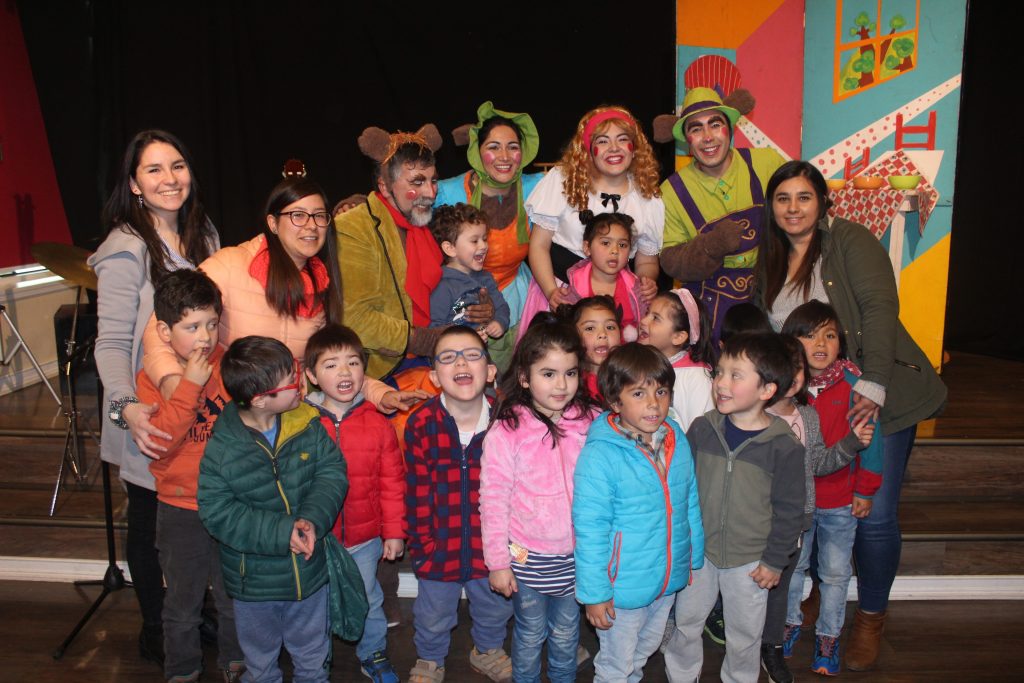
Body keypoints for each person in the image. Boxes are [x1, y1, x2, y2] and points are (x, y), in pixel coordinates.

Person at [753, 160, 947, 671]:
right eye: (782, 198)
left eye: (804, 197)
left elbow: (880, 309)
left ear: (822, 201)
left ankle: (871, 618)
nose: (793, 208)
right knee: (812, 504)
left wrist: (873, 385)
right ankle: (820, 595)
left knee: (874, 515)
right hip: (810, 405)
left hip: (871, 395)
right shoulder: (771, 256)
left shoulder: (849, 241)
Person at [89, 129, 220, 665]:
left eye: (178, 166)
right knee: (149, 521)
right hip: (146, 411)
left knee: (194, 514)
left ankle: (192, 609)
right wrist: (127, 408)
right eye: (154, 170)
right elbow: (110, 343)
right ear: (134, 184)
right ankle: (155, 626)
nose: (170, 179)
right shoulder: (125, 249)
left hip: (199, 405)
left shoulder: (203, 233)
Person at [142, 177, 409, 413]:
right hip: (225, 411)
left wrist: (379, 394)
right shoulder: (231, 265)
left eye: (319, 216)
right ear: (272, 223)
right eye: (298, 215)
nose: (311, 226)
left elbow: (329, 361)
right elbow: (162, 321)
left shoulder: (323, 284)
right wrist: (170, 379)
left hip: (287, 417)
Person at [197, 336, 346, 683]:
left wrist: (312, 519)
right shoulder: (223, 449)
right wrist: (282, 532)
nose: (302, 384)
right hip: (254, 585)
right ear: (261, 400)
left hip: (309, 574)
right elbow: (217, 511)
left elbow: (331, 472)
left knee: (313, 655)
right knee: (260, 661)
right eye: (292, 381)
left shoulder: (306, 423)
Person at [663, 332, 805, 683]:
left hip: (751, 563)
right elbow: (681, 487)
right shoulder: (702, 429)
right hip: (699, 554)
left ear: (767, 389)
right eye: (720, 372)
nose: (722, 383)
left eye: (735, 375)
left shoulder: (784, 446)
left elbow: (790, 512)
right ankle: (682, 676)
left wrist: (774, 561)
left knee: (745, 635)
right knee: (686, 624)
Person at [134, 270, 242, 682]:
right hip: (179, 507)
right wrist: (189, 388)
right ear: (164, 331)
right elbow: (163, 442)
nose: (205, 338)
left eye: (212, 324)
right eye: (192, 327)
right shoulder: (151, 380)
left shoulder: (228, 364)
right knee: (182, 603)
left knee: (233, 597)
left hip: (230, 504)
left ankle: (235, 663)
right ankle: (182, 669)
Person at [573, 343, 703, 683]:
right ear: (615, 402)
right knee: (616, 665)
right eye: (638, 393)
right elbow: (590, 529)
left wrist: (691, 555)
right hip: (622, 587)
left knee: (643, 651)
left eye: (661, 391)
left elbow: (688, 498)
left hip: (666, 579)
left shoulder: (675, 438)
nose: (653, 403)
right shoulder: (600, 455)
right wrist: (595, 593)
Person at [480, 316, 599, 683]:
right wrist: (497, 562)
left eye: (570, 373)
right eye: (548, 374)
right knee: (530, 633)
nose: (561, 385)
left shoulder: (592, 422)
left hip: (577, 557)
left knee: (566, 635)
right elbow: (493, 499)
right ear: (525, 377)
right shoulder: (508, 430)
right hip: (527, 558)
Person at [335, 124, 495, 386]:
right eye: (417, 182)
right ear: (385, 186)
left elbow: (450, 285)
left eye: (433, 181)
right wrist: (425, 340)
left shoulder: (426, 223)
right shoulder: (353, 227)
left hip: (434, 358)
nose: (430, 193)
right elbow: (356, 320)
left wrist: (476, 306)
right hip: (382, 370)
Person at [404, 327, 513, 683]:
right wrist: (422, 546)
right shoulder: (421, 423)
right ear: (435, 376)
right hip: (439, 545)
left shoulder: (507, 421)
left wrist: (509, 547)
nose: (461, 363)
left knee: (494, 608)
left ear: (490, 371)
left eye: (472, 354)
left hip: (492, 548)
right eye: (449, 357)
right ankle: (430, 658)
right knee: (433, 613)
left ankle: (487, 650)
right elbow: (416, 491)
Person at [780, 301, 883, 676]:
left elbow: (873, 442)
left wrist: (865, 490)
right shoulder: (787, 387)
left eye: (829, 335)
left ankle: (828, 638)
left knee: (836, 573)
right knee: (794, 568)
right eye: (809, 336)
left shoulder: (857, 387)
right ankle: (789, 624)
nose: (821, 343)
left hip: (841, 501)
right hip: (797, 502)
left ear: (841, 341)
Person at [760, 334, 866, 683]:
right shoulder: (753, 415)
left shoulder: (808, 416)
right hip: (758, 520)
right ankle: (764, 637)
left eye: (799, 368)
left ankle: (792, 641)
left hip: (796, 520)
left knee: (795, 579)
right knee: (764, 585)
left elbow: (818, 462)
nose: (794, 375)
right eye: (785, 367)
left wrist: (851, 443)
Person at [302, 325, 404, 683]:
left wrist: (394, 532)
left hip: (364, 538)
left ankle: (373, 652)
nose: (344, 372)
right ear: (312, 375)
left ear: (364, 370)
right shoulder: (301, 423)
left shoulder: (378, 424)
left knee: (368, 598)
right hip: (316, 538)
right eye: (331, 365)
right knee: (314, 603)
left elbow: (392, 482)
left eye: (353, 362)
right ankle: (314, 660)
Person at [658, 87, 786, 341]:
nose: (707, 137)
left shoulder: (767, 163)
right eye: (696, 129)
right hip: (711, 312)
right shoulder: (671, 192)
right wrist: (710, 246)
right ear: (687, 139)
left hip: (773, 299)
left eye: (715, 125)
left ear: (730, 127)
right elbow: (672, 261)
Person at [436, 102, 543, 368]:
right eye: (494, 147)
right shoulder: (446, 192)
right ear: (477, 151)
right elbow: (407, 208)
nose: (504, 156)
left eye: (513, 147)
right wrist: (356, 204)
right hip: (459, 297)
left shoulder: (537, 188)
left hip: (518, 298)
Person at [526, 105, 662, 309]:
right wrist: (551, 291)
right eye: (603, 141)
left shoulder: (647, 197)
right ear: (589, 151)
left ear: (634, 148)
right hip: (561, 293)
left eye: (622, 139)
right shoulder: (564, 180)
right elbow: (539, 245)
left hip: (616, 300)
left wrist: (646, 282)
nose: (614, 148)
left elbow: (647, 261)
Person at [519, 211, 651, 342]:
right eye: (606, 243)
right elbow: (566, 336)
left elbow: (646, 328)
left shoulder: (637, 288)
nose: (615, 251)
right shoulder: (574, 289)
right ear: (587, 248)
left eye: (622, 245)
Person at [638, 288, 716, 430]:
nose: (643, 321)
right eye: (647, 313)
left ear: (678, 337)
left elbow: (702, 433)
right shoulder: (639, 365)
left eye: (655, 318)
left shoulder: (696, 378)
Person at [429, 203, 510, 338]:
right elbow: (434, 327)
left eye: (484, 239)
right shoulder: (443, 285)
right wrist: (467, 337)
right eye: (474, 241)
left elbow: (501, 307)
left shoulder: (485, 278)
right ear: (450, 248)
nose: (484, 246)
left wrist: (499, 322)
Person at [565, 295, 622, 404]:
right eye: (590, 328)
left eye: (610, 327)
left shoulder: (631, 376)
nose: (603, 334)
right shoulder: (569, 382)